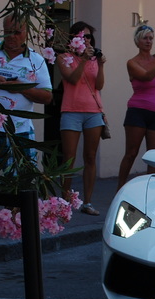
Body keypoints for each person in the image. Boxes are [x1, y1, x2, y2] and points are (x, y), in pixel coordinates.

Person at [117, 25, 155, 190]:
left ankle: (148, 190)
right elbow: (147, 76)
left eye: (151, 38)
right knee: (131, 153)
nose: (149, 41)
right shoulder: (132, 62)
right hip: (137, 111)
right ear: (137, 41)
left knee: (154, 156)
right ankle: (120, 188)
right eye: (145, 38)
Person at [0, 14, 53, 167]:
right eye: (8, 31)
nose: (12, 36)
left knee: (21, 181)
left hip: (20, 131)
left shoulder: (35, 60)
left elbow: (47, 97)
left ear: (26, 32)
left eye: (17, 32)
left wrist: (21, 88)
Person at [57, 21, 106, 216]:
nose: (86, 40)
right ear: (73, 38)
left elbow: (99, 85)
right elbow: (73, 79)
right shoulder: (64, 57)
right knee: (69, 158)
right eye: (82, 36)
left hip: (93, 112)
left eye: (88, 37)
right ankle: (63, 202)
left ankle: (88, 202)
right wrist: (84, 60)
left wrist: (100, 65)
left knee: (90, 157)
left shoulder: (94, 59)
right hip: (71, 111)